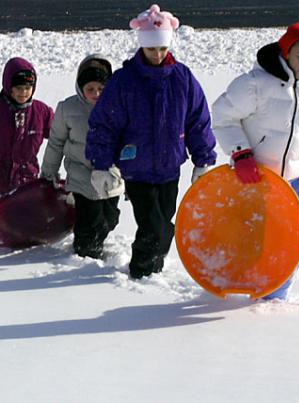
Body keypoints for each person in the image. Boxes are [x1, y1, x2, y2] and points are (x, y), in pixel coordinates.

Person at [85, 4, 217, 279]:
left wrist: (203, 159)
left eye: (162, 49)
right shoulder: (124, 82)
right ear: (142, 46)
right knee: (152, 225)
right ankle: (141, 272)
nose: (157, 55)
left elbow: (197, 120)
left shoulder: (182, 78)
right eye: (151, 49)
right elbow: (104, 124)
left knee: (165, 221)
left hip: (170, 167)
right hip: (137, 167)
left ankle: (153, 268)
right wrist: (100, 163)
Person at [212, 21, 299, 300]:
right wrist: (241, 153)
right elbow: (222, 116)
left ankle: (272, 303)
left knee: (293, 249)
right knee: (253, 242)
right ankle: (244, 297)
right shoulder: (255, 84)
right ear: (286, 52)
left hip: (292, 184)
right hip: (253, 181)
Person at [40, 54, 124, 259]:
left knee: (110, 218)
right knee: (89, 218)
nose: (96, 94)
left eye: (101, 89)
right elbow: (56, 142)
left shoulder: (118, 107)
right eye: (90, 89)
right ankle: (85, 252)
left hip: (110, 174)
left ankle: (96, 241)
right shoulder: (67, 108)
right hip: (80, 174)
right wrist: (49, 170)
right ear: (80, 88)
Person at [0, 57, 54, 219]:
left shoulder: (41, 112)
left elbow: (57, 133)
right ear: (8, 87)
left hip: (25, 176)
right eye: (19, 88)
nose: (23, 93)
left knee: (22, 216)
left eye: (28, 88)